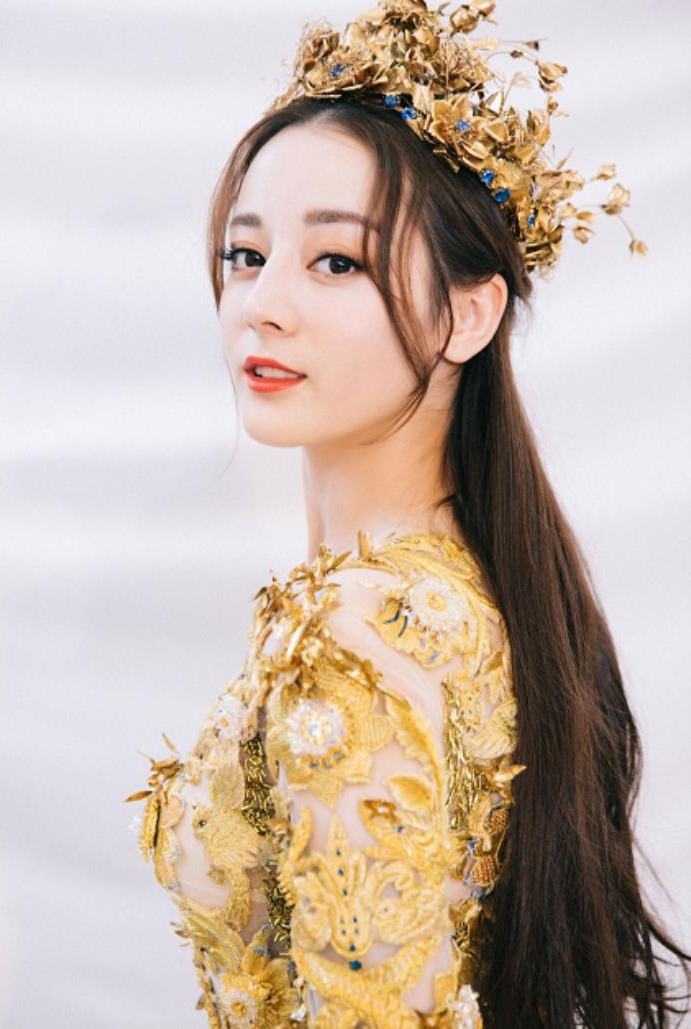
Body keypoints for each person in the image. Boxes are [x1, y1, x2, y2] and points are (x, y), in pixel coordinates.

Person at [127, 1, 689, 1026]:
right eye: (246, 255)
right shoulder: (466, 587)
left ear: (467, 313)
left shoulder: (352, 635)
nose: (262, 304)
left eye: (336, 261)